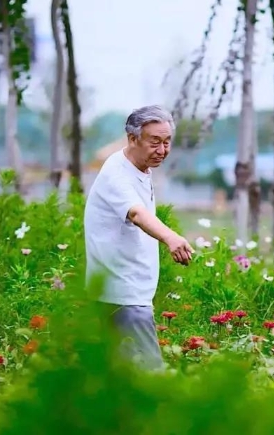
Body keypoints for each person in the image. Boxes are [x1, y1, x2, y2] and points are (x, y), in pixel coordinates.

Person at [84, 105, 194, 370]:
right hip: (124, 293)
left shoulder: (140, 167)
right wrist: (170, 237)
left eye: (167, 142)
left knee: (117, 377)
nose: (162, 150)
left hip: (122, 291)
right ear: (132, 138)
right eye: (154, 141)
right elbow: (136, 213)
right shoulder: (116, 173)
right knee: (151, 373)